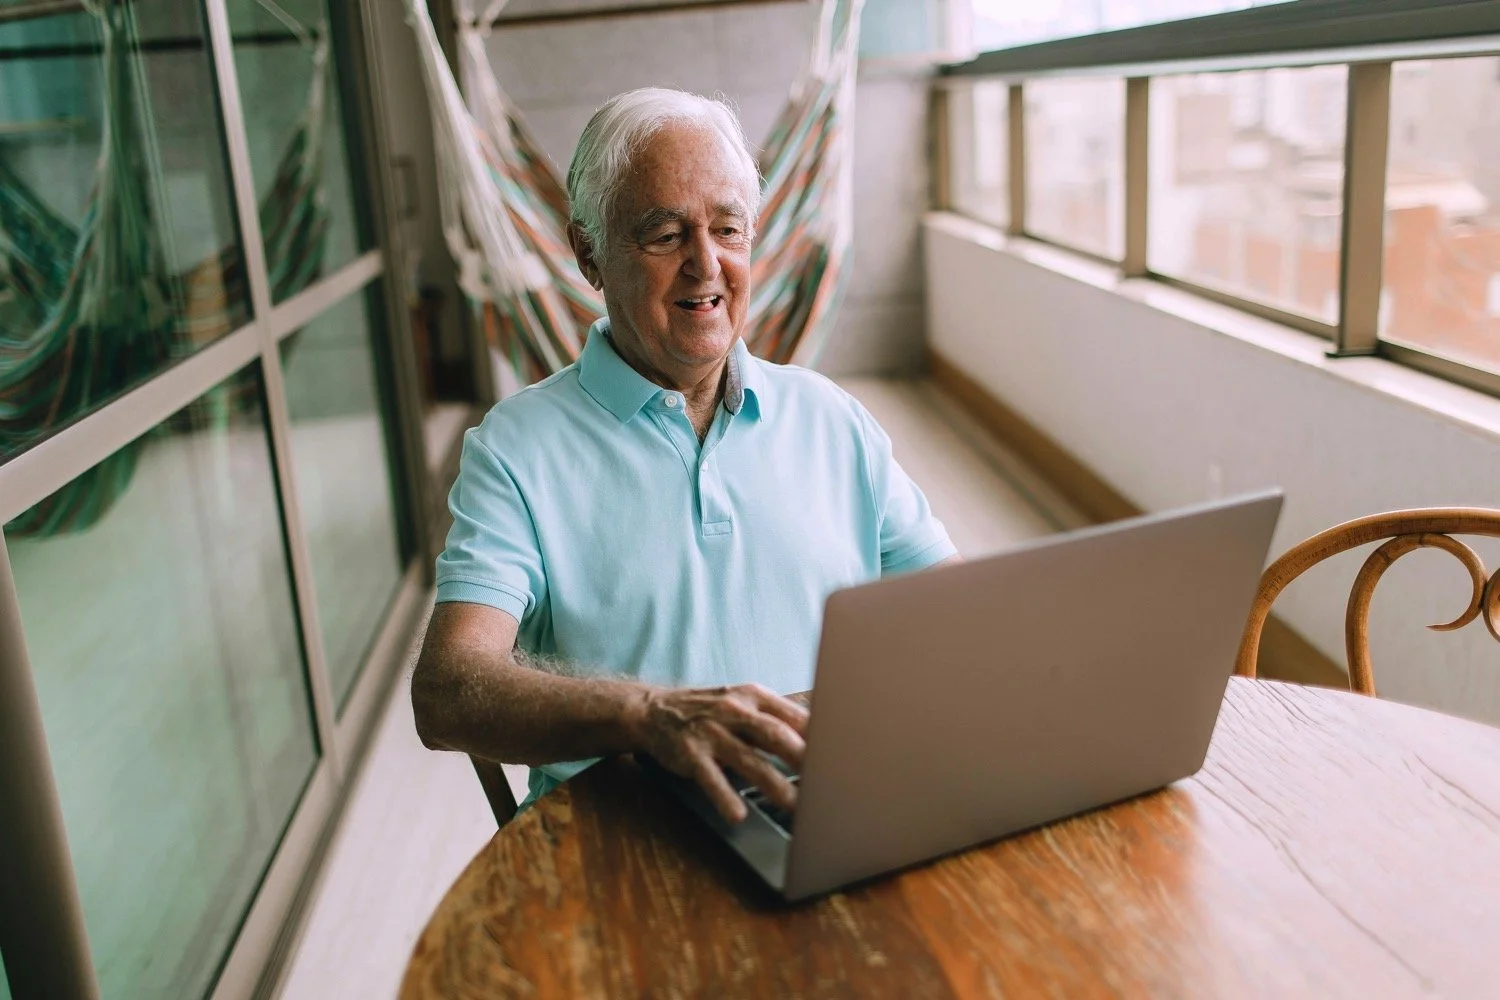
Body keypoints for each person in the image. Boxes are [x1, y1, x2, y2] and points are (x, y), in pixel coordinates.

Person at [412, 87, 956, 823]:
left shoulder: (832, 418)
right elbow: (448, 691)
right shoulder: (515, 450)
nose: (707, 266)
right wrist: (652, 715)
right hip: (623, 830)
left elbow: (960, 619)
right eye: (665, 236)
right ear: (589, 255)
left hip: (830, 802)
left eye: (729, 230)